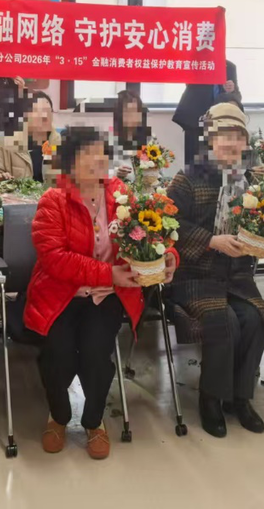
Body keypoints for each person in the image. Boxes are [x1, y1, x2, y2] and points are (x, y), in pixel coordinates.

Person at [23, 126, 177, 459]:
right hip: (60, 295)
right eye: (86, 154)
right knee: (58, 354)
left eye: (100, 153)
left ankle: (94, 421)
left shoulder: (121, 194)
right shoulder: (54, 200)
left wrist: (167, 256)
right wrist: (109, 272)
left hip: (107, 295)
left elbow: (152, 232)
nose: (96, 160)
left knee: (96, 354)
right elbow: (53, 258)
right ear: (69, 161)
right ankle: (59, 416)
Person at [167, 102, 264, 437]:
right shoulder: (187, 178)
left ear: (245, 141)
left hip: (237, 277)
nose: (231, 143)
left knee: (255, 318)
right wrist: (211, 241)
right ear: (210, 139)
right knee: (224, 320)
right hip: (195, 276)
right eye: (223, 135)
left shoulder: (253, 181)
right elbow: (168, 223)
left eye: (237, 136)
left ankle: (241, 398)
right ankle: (211, 398)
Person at [173, 60, 240, 167]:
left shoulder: (230, 67)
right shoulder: (197, 63)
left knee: (217, 163)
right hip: (195, 120)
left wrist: (232, 90)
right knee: (193, 162)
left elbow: (237, 97)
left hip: (219, 123)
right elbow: (189, 85)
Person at [0, 90, 57, 183]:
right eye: (39, 111)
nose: (45, 116)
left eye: (49, 112)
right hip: (18, 193)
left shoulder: (62, 145)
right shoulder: (5, 145)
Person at [112, 89, 150, 181]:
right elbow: (100, 170)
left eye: (136, 111)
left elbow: (158, 168)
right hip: (119, 185)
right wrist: (116, 172)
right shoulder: (110, 139)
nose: (133, 116)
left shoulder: (148, 137)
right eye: (128, 111)